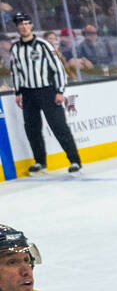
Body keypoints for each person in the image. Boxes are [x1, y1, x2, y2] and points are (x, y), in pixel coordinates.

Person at [7, 13, 83, 174]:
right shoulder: (15, 48)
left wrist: (60, 91)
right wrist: (18, 92)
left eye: (27, 24)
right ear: (17, 27)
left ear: (31, 26)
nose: (24, 27)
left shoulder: (43, 45)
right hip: (27, 93)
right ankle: (40, 161)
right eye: (21, 25)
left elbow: (58, 69)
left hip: (47, 91)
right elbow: (15, 72)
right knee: (32, 128)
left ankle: (74, 160)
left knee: (59, 126)